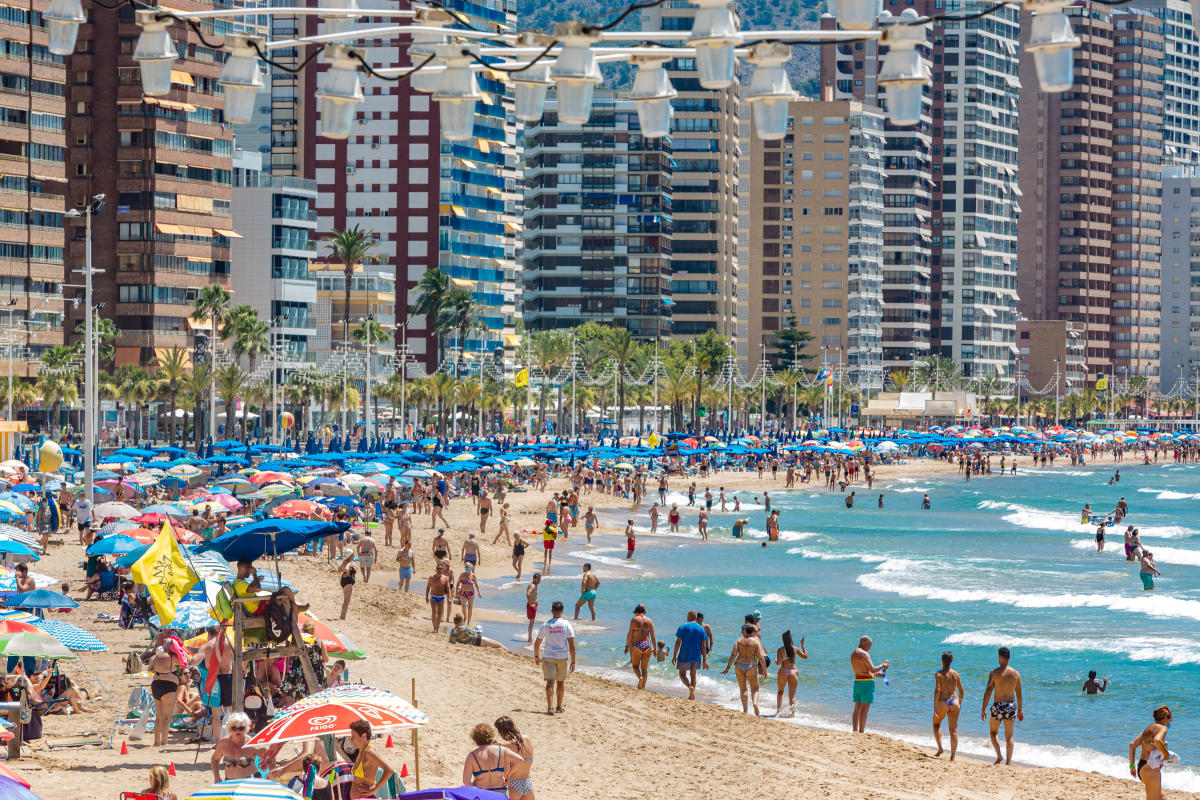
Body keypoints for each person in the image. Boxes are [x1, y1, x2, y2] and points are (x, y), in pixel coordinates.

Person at [980, 646, 1023, 765]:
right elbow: (1019, 694)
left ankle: (999, 755)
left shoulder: (994, 673)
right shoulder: (1016, 674)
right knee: (1009, 736)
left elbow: (988, 691)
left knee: (993, 733)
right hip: (1010, 705)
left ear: (1000, 658)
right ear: (1009, 658)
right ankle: (1008, 763)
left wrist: (983, 709)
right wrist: (1020, 710)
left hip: (998, 706)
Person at [533, 601, 575, 715]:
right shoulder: (566, 624)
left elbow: (537, 643)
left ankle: (550, 708)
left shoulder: (546, 625)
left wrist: (536, 656)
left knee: (550, 682)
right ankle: (559, 707)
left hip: (548, 657)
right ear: (562, 611)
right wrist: (573, 661)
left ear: (552, 611)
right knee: (560, 683)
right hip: (562, 657)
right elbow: (571, 645)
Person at [1129, 705, 1175, 800]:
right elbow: (1157, 741)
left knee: (1161, 797)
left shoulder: (1149, 730)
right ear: (1165, 718)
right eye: (1170, 717)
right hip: (1151, 769)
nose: (1171, 720)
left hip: (1142, 767)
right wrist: (1166, 754)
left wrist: (1132, 766)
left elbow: (1132, 745)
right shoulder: (1163, 729)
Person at [462, 722, 522, 794]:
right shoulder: (501, 750)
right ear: (491, 736)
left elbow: (466, 781)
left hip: (482, 793)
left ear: (475, 738)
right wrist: (509, 776)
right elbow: (520, 760)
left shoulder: (472, 756)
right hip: (500, 792)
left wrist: (476, 792)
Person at [722, 624, 767, 715]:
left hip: (739, 665)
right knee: (755, 688)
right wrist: (765, 670)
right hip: (751, 666)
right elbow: (761, 657)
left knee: (743, 689)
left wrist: (727, 668)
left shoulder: (738, 641)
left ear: (746, 631)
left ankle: (745, 710)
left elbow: (733, 655)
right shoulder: (755, 642)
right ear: (752, 631)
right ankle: (754, 703)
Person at [149, 637, 185, 747]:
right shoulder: (173, 658)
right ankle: (164, 742)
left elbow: (150, 669)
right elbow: (185, 662)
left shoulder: (155, 657)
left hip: (156, 685)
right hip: (168, 687)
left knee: (158, 716)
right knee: (167, 717)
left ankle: (156, 742)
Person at [210, 712, 267, 781]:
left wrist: (266, 758)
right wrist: (217, 777)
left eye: (241, 728)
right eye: (234, 728)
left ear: (246, 728)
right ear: (229, 728)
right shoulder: (224, 743)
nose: (238, 731)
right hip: (230, 781)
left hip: (251, 780)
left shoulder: (251, 743)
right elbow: (215, 759)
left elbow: (267, 757)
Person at [850, 635, 888, 734]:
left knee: (857, 707)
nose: (870, 648)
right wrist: (882, 665)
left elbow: (862, 671)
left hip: (857, 682)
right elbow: (872, 669)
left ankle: (855, 731)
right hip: (867, 684)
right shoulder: (864, 654)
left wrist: (875, 675)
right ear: (864, 643)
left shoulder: (853, 654)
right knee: (865, 709)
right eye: (869, 645)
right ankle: (861, 731)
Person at [347, 719, 394, 798]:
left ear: (364, 736)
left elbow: (389, 770)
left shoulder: (369, 752)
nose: (351, 739)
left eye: (354, 736)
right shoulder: (362, 750)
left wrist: (375, 789)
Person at [933, 651, 964, 760]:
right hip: (954, 702)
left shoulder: (939, 674)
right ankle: (953, 755)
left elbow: (937, 690)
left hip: (943, 702)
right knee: (953, 730)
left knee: (936, 725)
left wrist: (935, 706)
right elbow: (961, 690)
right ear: (951, 661)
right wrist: (960, 700)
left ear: (942, 661)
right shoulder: (955, 673)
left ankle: (941, 748)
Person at [672, 610, 709, 701]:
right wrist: (704, 659)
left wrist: (674, 655)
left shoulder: (683, 627)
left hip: (684, 654)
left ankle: (689, 687)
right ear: (696, 618)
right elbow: (703, 646)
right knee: (693, 675)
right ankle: (692, 691)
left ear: (688, 617)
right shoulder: (701, 629)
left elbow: (678, 642)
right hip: (696, 655)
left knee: (682, 674)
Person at [496, 715, 535, 800]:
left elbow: (506, 770)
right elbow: (529, 759)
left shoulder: (506, 746)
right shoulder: (527, 739)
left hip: (514, 784)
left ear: (501, 731)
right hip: (528, 783)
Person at [775, 630, 807, 717]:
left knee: (780, 692)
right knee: (792, 695)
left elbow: (778, 663)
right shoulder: (795, 649)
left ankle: (778, 712)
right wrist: (802, 645)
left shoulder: (780, 650)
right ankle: (792, 714)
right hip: (793, 671)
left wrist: (775, 661)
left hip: (783, 671)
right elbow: (805, 656)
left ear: (783, 640)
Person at [624, 603, 656, 690]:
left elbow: (630, 634)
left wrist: (626, 646)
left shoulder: (634, 620)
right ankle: (643, 687)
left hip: (637, 645)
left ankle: (640, 678)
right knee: (644, 669)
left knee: (635, 666)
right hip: (647, 645)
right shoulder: (649, 621)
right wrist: (655, 649)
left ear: (636, 611)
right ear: (644, 611)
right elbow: (653, 636)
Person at [425, 562, 452, 633]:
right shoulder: (431, 577)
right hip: (433, 597)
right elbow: (428, 587)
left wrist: (449, 598)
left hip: (441, 597)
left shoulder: (445, 578)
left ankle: (437, 628)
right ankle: (434, 628)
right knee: (433, 611)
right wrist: (426, 597)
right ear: (436, 569)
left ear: (443, 569)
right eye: (438, 568)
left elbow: (448, 589)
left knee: (439, 613)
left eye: (440, 569)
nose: (439, 570)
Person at [525, 573, 541, 642]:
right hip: (532, 606)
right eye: (538, 579)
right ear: (534, 579)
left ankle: (530, 638)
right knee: (531, 622)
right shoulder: (532, 585)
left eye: (540, 579)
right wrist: (530, 604)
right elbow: (528, 594)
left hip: (533, 605)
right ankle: (530, 639)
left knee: (532, 622)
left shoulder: (535, 585)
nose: (539, 581)